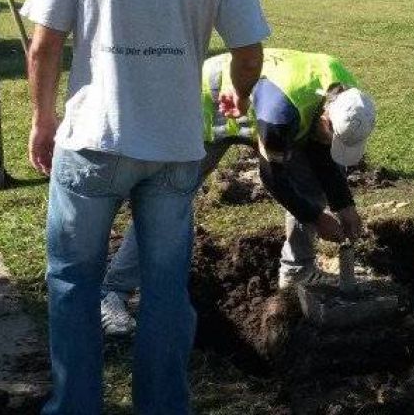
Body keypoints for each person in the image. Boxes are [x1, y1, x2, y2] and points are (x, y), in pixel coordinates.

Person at [22, 0, 269, 414]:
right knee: (164, 291)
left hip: (94, 141)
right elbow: (250, 52)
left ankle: (75, 406)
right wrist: (236, 93)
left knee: (73, 281)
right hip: (175, 149)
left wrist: (42, 119)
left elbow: (43, 46)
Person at [100, 48, 376, 336]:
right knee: (167, 200)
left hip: (269, 107)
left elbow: (322, 152)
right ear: (325, 119)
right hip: (209, 106)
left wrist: (345, 205)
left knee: (313, 182)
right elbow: (273, 179)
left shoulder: (346, 94)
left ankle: (297, 270)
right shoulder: (280, 113)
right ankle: (114, 291)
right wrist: (317, 218)